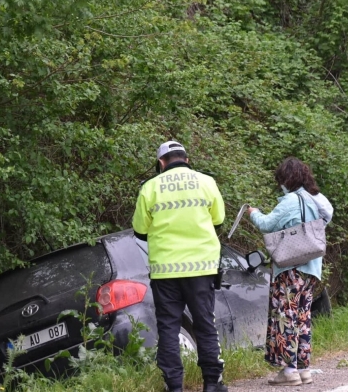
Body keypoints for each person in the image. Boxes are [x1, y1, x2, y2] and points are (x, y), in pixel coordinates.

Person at [132, 141, 227, 392]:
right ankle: (212, 383)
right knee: (205, 324)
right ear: (186, 159)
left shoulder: (150, 187)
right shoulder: (206, 182)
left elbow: (140, 230)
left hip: (165, 271)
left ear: (161, 163)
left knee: (169, 328)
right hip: (201, 268)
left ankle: (174, 386)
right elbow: (218, 219)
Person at [246, 157, 332, 386]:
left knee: (285, 317)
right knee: (303, 317)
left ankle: (289, 371)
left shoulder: (290, 201)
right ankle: (304, 369)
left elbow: (266, 224)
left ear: (286, 179)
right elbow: (326, 219)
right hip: (312, 268)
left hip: (290, 269)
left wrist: (253, 212)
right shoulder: (317, 199)